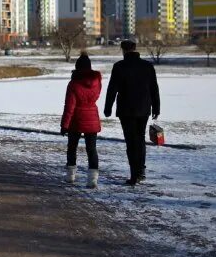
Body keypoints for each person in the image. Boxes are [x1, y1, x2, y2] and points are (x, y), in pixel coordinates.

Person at [103, 40, 160, 186]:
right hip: (143, 109)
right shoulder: (147, 66)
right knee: (140, 140)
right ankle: (140, 170)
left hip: (126, 109)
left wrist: (108, 107)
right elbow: (154, 88)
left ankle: (134, 174)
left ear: (123, 50)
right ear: (135, 49)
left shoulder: (119, 66)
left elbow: (112, 89)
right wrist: (156, 108)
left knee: (131, 141)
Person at [60, 54, 102, 188]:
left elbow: (69, 106)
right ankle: (93, 180)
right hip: (92, 117)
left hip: (76, 119)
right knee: (92, 149)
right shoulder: (97, 82)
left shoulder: (73, 83)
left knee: (72, 147)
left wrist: (64, 125)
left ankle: (70, 176)